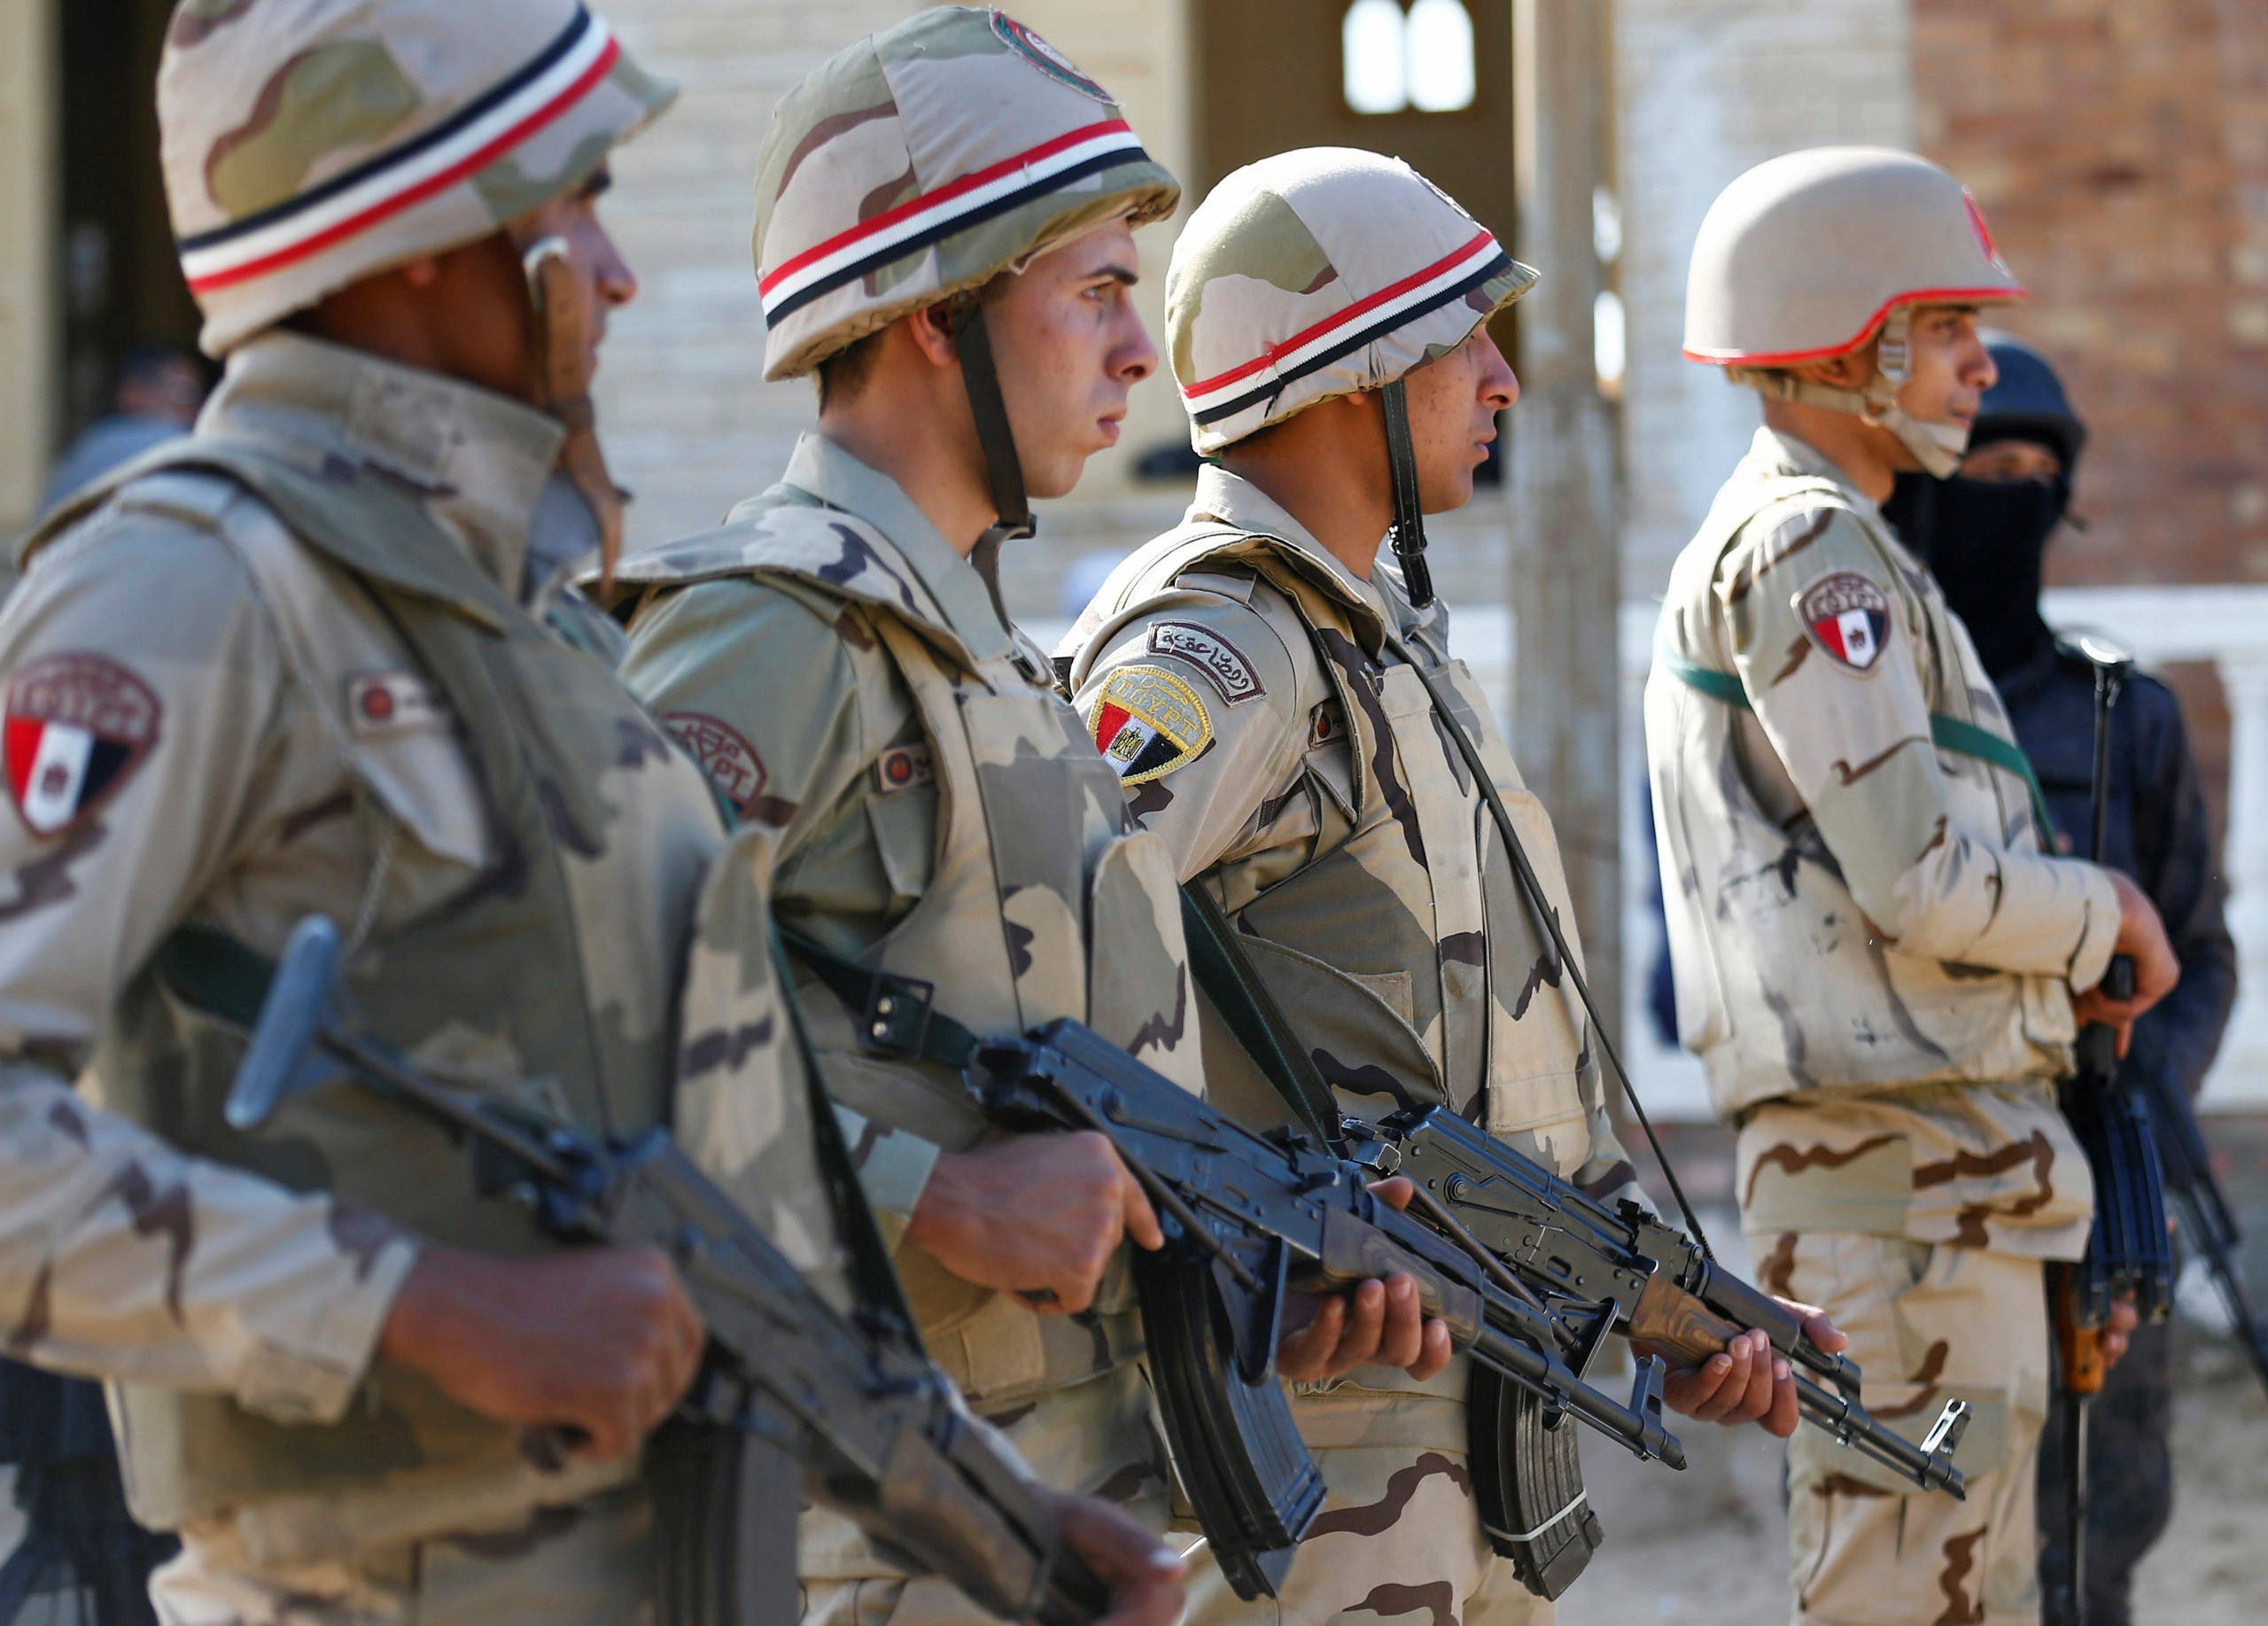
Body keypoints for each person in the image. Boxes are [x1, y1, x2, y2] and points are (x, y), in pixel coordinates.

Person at [603, 16, 1439, 1622]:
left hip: (1070, 1521)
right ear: (934, 315)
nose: (1143, 353)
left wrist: (1265, 1263)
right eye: (1099, 291)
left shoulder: (995, 651)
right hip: (885, 1539)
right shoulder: (778, 628)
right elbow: (581, 1040)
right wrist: (939, 1200)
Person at [1059, 147, 1845, 1625]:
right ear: (1353, 367)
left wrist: (1670, 1300)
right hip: (1322, 1451)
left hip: (1468, 1422)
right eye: (1462, 339)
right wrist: (1247, 1267)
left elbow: (1499, 1045)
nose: (1504, 380)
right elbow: (1045, 996)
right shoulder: (1219, 651)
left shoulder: (1387, 646)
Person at [1646, 146, 2179, 1626]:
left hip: (1945, 1198)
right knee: (1907, 1600)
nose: (1979, 362)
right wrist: (2108, 913)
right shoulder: (1813, 551)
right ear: (1843, 343)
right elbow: (1922, 882)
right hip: (1900, 1205)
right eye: (1945, 327)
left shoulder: (1854, 543)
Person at [1882, 332, 2239, 1626]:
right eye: (1986, 466)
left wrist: (2150, 1091)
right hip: (1943, 1187)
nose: (2011, 494)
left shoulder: (2120, 711)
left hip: (2104, 1190)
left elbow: (2199, 948)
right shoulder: (1880, 720)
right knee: (1946, 1505)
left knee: (2104, 1516)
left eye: (2038, 470)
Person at [37, 343, 209, 517]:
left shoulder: (89, 445)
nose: (196, 406)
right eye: (184, 393)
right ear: (133, 394)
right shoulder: (171, 442)